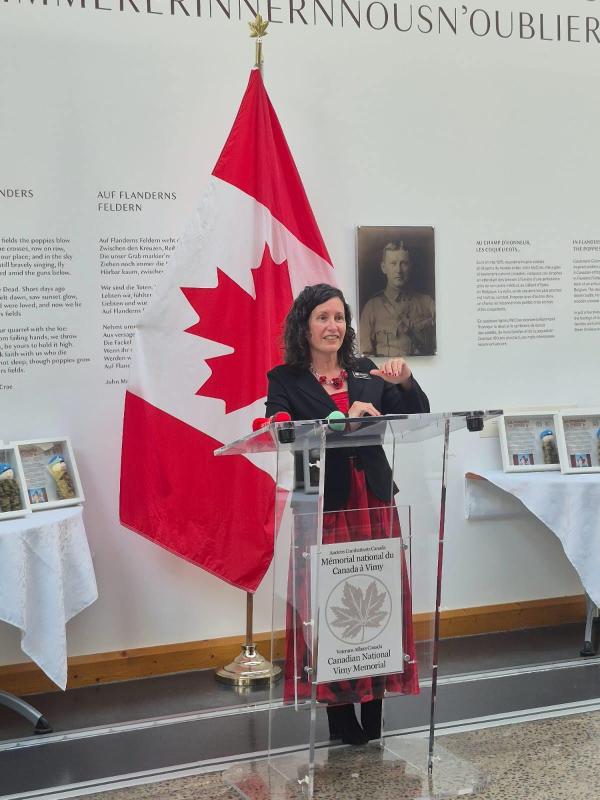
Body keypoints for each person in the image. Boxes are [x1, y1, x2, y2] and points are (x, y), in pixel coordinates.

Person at [266, 283, 430, 746]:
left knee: (375, 595)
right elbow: (280, 428)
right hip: (321, 503)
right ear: (304, 325)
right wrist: (332, 422)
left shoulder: (365, 371)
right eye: (323, 317)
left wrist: (401, 382)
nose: (333, 326)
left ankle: (374, 704)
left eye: (339, 318)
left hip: (373, 498)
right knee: (331, 602)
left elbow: (416, 413)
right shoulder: (285, 379)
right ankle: (339, 713)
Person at [359, 241, 435, 357]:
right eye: (393, 264)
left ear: (411, 266)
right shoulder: (372, 308)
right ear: (384, 267)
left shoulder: (427, 304)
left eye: (403, 263)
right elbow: (365, 355)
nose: (399, 270)